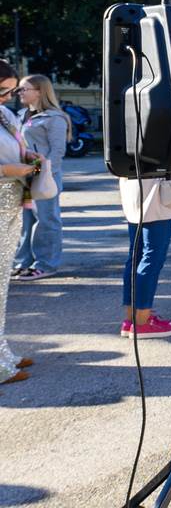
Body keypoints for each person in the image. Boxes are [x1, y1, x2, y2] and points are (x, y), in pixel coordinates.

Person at [0, 62, 44, 384]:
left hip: (11, 205)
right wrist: (9, 171)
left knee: (2, 288)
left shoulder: (6, 116)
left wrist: (30, 160)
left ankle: (3, 353)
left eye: (12, 90)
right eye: (2, 90)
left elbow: (18, 149)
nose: (7, 96)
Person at [13, 75, 69, 281]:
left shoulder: (54, 118)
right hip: (23, 176)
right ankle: (23, 263)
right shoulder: (20, 115)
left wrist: (40, 173)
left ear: (39, 91)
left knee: (47, 221)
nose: (19, 93)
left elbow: (57, 152)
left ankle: (46, 264)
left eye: (23, 89)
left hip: (44, 178)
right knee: (24, 222)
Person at [116, 176, 171, 341]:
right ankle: (142, 321)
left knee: (136, 255)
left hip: (134, 190)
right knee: (152, 257)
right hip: (156, 193)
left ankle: (132, 318)